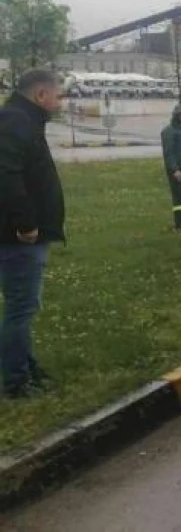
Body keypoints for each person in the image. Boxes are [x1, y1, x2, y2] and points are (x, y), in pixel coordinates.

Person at [0, 70, 65, 398]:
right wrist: (26, 224)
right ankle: (16, 381)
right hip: (20, 237)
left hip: (24, 234)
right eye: (58, 94)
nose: (60, 100)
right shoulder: (17, 121)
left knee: (24, 304)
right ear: (40, 94)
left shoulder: (23, 119)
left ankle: (24, 364)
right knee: (21, 307)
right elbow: (7, 175)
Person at [161, 104, 181, 231]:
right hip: (177, 171)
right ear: (176, 116)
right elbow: (169, 153)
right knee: (179, 197)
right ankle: (179, 225)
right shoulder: (169, 131)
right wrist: (175, 169)